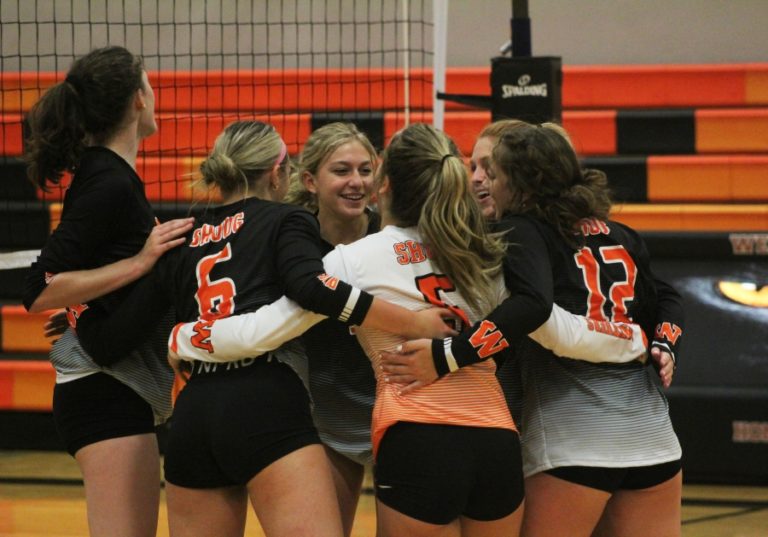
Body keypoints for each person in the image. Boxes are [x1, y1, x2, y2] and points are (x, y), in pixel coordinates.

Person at [75, 120, 455, 537]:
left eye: (366, 170)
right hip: (273, 402)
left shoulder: (186, 234)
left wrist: (83, 309)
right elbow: (312, 291)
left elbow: (111, 342)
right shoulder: (291, 223)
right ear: (286, 176)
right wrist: (417, 322)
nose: (356, 182)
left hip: (195, 413)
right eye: (342, 170)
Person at [382, 121, 684, 537]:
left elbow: (535, 312)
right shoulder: (618, 233)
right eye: (475, 167)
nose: (480, 179)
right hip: (654, 441)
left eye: (492, 170)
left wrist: (447, 355)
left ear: (520, 181)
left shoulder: (522, 231)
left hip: (572, 440)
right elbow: (666, 299)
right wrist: (659, 341)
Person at [21, 46, 194, 537]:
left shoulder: (111, 176)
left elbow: (82, 275)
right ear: (137, 99)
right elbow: (39, 288)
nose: (154, 94)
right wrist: (140, 262)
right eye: (150, 83)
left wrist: (86, 303)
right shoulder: (108, 182)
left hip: (114, 386)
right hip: (104, 389)